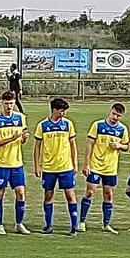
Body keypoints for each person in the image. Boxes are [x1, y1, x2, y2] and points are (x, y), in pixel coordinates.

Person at [80, 103, 129, 234]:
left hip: (111, 168)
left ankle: (106, 224)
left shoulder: (122, 130)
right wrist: (86, 164)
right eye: (114, 114)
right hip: (96, 166)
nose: (115, 117)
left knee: (108, 194)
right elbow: (89, 144)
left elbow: (126, 146)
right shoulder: (98, 125)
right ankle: (82, 221)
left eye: (118, 116)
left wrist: (119, 145)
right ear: (110, 112)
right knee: (90, 192)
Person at [33, 97, 80, 236]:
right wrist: (37, 166)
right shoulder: (42, 126)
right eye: (61, 111)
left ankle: (74, 226)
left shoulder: (68, 124)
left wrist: (75, 163)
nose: (63, 113)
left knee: (70, 195)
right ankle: (48, 225)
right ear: (53, 110)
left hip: (66, 167)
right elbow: (37, 147)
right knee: (48, 195)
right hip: (49, 168)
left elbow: (73, 144)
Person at [0, 91, 32, 235]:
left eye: (11, 104)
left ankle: (19, 223)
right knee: (0, 192)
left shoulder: (21, 118)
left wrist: (25, 138)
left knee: (20, 192)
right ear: (2, 103)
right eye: (6, 104)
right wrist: (12, 138)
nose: (9, 107)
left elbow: (23, 139)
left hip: (17, 163)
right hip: (1, 164)